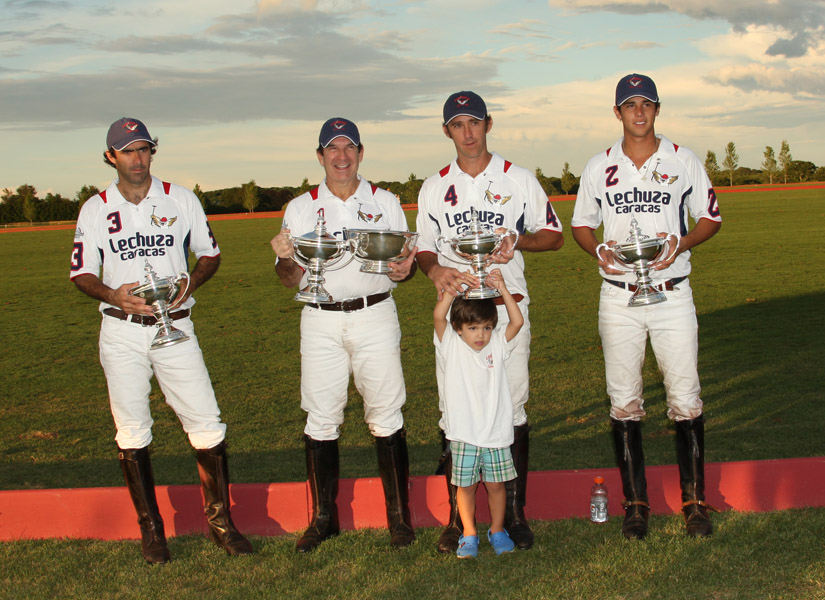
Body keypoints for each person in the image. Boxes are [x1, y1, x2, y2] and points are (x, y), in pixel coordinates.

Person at [69, 117, 253, 564]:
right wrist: (112, 293)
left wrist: (192, 282)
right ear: (111, 156)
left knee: (207, 422)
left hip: (177, 327)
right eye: (127, 150)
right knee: (132, 430)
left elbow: (209, 254)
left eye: (144, 148)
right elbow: (80, 272)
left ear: (153, 151)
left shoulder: (180, 199)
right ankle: (151, 530)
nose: (137, 158)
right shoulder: (95, 208)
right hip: (121, 330)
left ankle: (220, 523)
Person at [571, 74, 722, 539]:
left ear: (657, 110)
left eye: (647, 104)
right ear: (617, 113)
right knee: (624, 402)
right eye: (630, 105)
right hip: (618, 297)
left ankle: (694, 502)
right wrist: (597, 251)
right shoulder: (599, 166)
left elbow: (710, 217)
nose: (639, 112)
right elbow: (581, 224)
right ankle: (636, 504)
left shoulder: (682, 159)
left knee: (685, 397)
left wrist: (682, 243)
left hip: (673, 292)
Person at [415, 91, 564, 552]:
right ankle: (460, 522)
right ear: (447, 131)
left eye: (475, 122)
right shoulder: (434, 185)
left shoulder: (517, 178)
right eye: (458, 124)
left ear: (488, 124)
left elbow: (554, 235)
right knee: (454, 411)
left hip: (505, 310)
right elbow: (423, 246)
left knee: (512, 407)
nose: (468, 132)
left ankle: (513, 515)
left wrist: (516, 242)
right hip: (458, 318)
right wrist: (435, 269)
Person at [270, 117, 418, 551]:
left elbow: (400, 264)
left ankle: (399, 519)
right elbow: (286, 278)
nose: (341, 156)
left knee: (387, 414)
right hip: (319, 319)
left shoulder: (386, 201)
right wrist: (283, 258)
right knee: (320, 417)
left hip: (375, 314)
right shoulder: (300, 208)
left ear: (360, 153)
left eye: (348, 148)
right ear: (320, 157)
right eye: (332, 149)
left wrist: (405, 269)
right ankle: (323, 518)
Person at [433, 269, 523, 558]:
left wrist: (503, 289)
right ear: (458, 328)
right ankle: (469, 532)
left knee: (497, 486)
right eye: (472, 329)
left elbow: (517, 321)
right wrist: (451, 292)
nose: (480, 335)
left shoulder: (497, 343)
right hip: (464, 434)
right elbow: (438, 317)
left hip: (495, 433)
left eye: (485, 327)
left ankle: (497, 529)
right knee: (466, 487)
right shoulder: (451, 344)